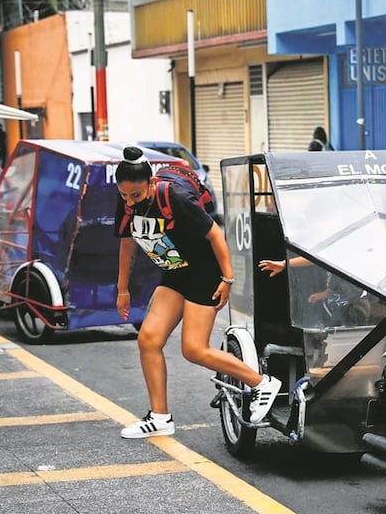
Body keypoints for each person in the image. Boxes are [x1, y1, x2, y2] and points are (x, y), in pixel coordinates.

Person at [114, 146, 281, 439]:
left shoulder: (175, 199)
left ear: (150, 183)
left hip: (205, 272)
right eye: (124, 195)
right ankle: (160, 418)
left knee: (193, 349)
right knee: (149, 339)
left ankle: (262, 383)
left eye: (135, 195)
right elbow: (127, 240)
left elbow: (215, 234)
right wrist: (122, 288)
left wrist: (228, 279)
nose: (129, 201)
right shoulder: (127, 201)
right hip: (176, 271)